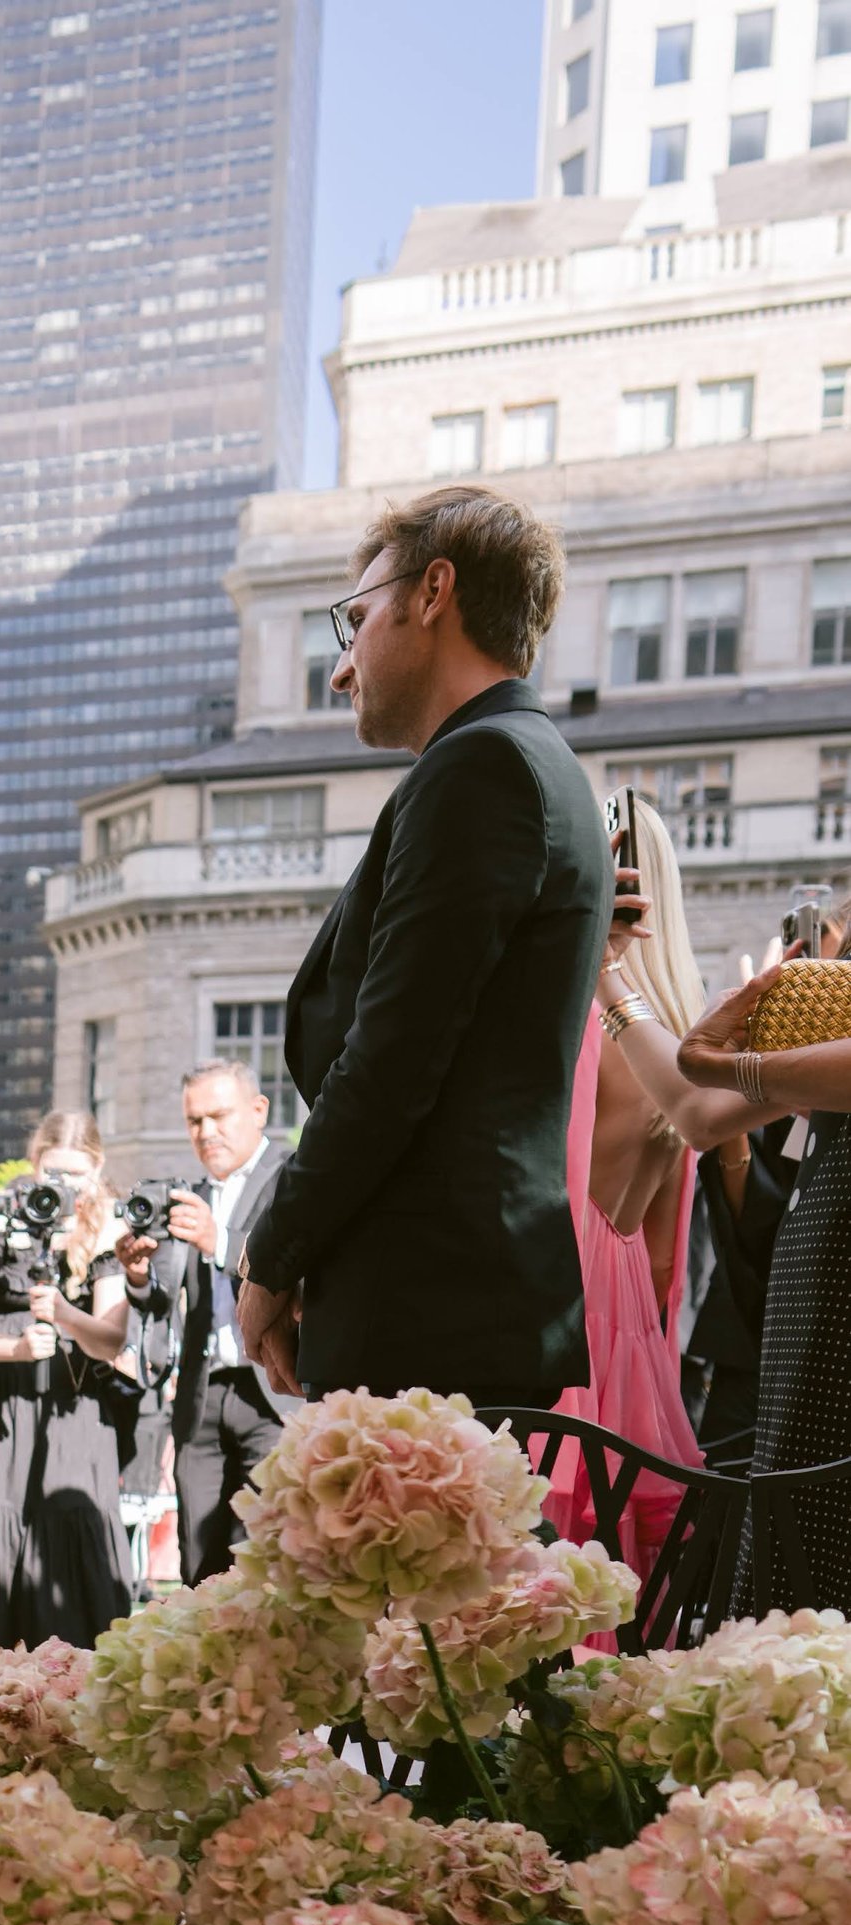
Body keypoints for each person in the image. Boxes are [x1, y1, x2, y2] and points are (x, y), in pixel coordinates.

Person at [235, 486, 608, 1408]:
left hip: (432, 1316)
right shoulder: (522, 762)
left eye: (355, 621)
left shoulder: (482, 766)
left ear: (433, 591)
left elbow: (392, 1060)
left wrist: (271, 1259)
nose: (341, 668)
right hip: (453, 1305)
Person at [535, 798, 705, 1565]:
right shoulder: (681, 1030)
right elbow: (670, 1256)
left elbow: (555, 1190)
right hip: (632, 1312)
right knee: (625, 1546)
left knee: (554, 1540)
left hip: (568, 1303)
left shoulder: (581, 1023)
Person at [0, 1105, 133, 1663]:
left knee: (67, 1545)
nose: (62, 1185)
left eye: (76, 1174)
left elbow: (112, 1338)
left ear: (96, 1168)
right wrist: (13, 1348)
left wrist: (64, 1315)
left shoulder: (106, 1229)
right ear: (33, 1163)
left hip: (72, 1414)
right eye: (52, 1171)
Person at [675, 915, 851, 1610]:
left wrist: (731, 1065)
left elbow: (700, 1108)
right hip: (819, 1246)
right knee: (798, 1524)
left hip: (831, 1257)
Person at [119, 1060, 289, 1583]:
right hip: (202, 1395)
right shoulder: (189, 1193)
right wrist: (139, 1275)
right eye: (194, 1121)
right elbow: (164, 1301)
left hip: (275, 1392)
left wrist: (222, 1243)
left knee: (270, 1557)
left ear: (258, 1111)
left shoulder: (293, 1176)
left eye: (219, 1116)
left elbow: (298, 1270)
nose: (206, 1132)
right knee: (201, 1562)